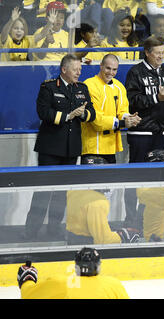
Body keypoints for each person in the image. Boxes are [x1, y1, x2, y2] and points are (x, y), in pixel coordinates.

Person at [24, 54, 96, 240]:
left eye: (80, 69)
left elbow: (92, 113)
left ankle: (54, 228)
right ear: (64, 69)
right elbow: (43, 112)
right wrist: (68, 116)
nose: (79, 73)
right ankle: (31, 230)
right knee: (43, 190)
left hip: (71, 149)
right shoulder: (48, 87)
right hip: (50, 148)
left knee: (63, 192)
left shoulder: (82, 88)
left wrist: (82, 114)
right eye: (75, 69)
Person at [124, 35, 164, 227]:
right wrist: (157, 97)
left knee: (155, 181)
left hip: (160, 133)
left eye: (163, 53)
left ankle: (146, 220)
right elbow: (132, 101)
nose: (161, 57)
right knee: (135, 179)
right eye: (157, 54)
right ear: (147, 53)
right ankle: (130, 221)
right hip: (140, 133)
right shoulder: (135, 72)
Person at [82, 54, 141, 164]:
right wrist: (122, 123)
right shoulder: (89, 85)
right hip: (92, 148)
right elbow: (96, 121)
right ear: (101, 66)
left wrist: (129, 118)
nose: (111, 72)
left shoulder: (119, 87)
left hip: (111, 147)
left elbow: (122, 111)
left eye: (114, 69)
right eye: (108, 68)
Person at [17, 247, 129, 298]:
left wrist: (27, 279)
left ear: (76, 267)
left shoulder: (61, 283)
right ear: (98, 266)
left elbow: (29, 295)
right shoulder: (113, 285)